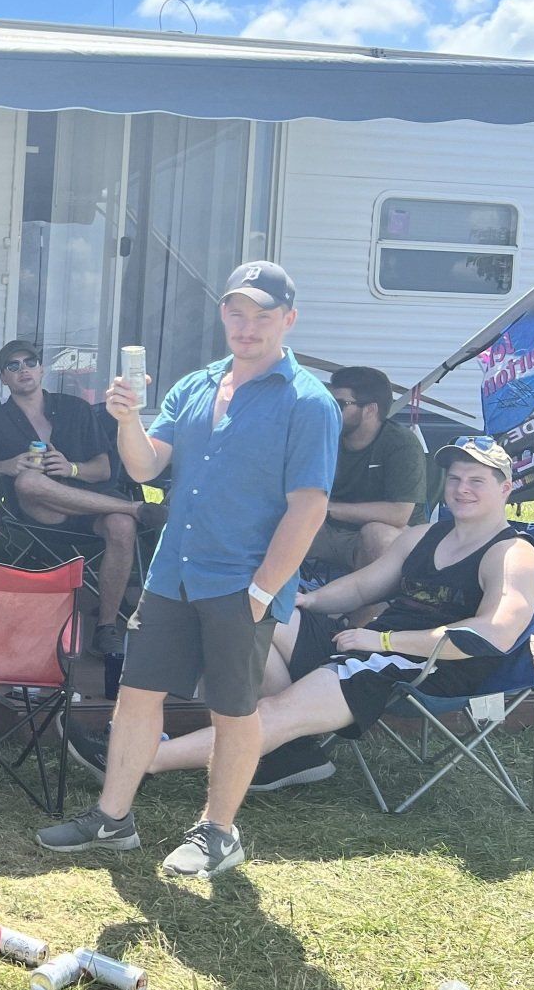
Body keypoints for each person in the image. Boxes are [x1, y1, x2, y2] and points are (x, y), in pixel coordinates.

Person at [36, 261, 338, 880]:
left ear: (289, 320)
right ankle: (113, 819)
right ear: (223, 314)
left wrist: (262, 591)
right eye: (237, 312)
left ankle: (220, 833)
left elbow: (309, 507)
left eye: (262, 315)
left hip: (241, 584)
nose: (247, 326)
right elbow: (146, 468)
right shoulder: (197, 384)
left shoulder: (309, 402)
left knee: (234, 711)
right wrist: (126, 422)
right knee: (137, 695)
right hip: (173, 572)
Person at [66, 439, 534, 795]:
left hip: (427, 667)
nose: (461, 489)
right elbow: (363, 584)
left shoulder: (512, 554)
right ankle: (291, 752)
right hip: (373, 647)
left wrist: (384, 644)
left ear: (506, 488)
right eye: (456, 479)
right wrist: (302, 603)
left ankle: (136, 761)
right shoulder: (427, 535)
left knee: (277, 710)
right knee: (248, 616)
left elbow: (494, 634)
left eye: (476, 481)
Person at [0, 339, 149, 660]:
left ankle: (106, 629)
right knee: (30, 481)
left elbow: (103, 469)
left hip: (92, 507)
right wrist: (6, 465)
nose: (24, 370)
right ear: (3, 377)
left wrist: (71, 467)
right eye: (13, 366)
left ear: (42, 369)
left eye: (30, 362)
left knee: (121, 526)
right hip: (40, 515)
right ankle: (135, 508)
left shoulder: (75, 408)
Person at [310, 366, 425, 577]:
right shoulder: (320, 435)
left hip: (385, 537)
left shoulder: (401, 443)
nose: (330, 410)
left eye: (340, 404)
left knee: (377, 535)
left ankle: (369, 612)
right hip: (328, 531)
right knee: (276, 521)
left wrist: (327, 508)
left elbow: (399, 514)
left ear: (370, 410)